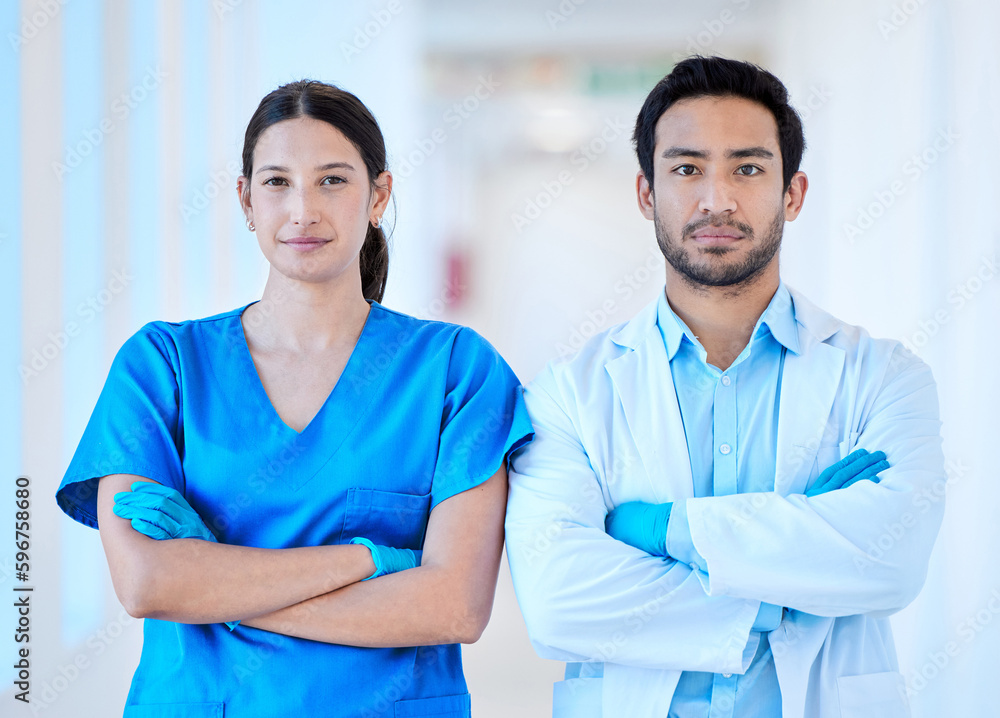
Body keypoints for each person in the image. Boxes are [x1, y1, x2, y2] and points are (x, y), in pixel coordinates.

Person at [56, 79, 533, 717]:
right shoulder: (163, 365)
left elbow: (456, 606)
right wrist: (368, 560)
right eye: (277, 182)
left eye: (332, 180)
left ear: (378, 195)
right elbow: (147, 583)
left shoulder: (455, 371)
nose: (303, 210)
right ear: (246, 199)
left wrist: (219, 580)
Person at [505, 56, 944, 717]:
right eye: (687, 169)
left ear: (792, 193)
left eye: (747, 167)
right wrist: (791, 576)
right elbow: (559, 601)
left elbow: (892, 559)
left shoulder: (884, 376)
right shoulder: (568, 394)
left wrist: (662, 531)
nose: (717, 199)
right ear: (646, 193)